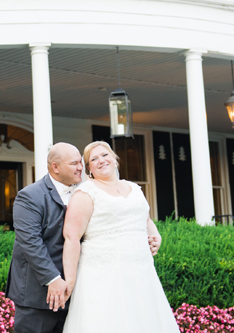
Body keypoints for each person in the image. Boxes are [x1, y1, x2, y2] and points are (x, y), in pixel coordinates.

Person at [61, 141, 179, 332]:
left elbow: (145, 219)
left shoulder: (134, 188)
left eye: (105, 155)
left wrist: (155, 234)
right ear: (89, 168)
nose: (101, 161)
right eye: (94, 159)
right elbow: (71, 237)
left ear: (115, 159)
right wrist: (70, 280)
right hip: (104, 275)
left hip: (141, 272)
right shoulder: (85, 193)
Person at [6, 142, 84, 333]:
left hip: (77, 295)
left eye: (81, 162)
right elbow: (31, 242)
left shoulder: (85, 194)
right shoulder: (29, 196)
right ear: (55, 167)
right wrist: (53, 278)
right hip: (38, 295)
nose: (81, 167)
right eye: (74, 163)